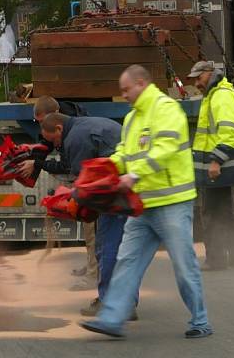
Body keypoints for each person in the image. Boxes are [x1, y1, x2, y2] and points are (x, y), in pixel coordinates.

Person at [80, 65, 212, 339]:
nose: (123, 95)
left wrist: (133, 174)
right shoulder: (131, 119)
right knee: (126, 261)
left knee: (183, 264)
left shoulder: (166, 109)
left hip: (172, 202)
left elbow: (165, 149)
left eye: (126, 89)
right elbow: (124, 153)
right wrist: (104, 168)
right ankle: (113, 318)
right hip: (142, 206)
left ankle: (200, 320)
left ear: (141, 83)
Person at [39, 112, 136, 319]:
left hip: (117, 190)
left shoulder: (76, 138)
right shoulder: (84, 126)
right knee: (123, 248)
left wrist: (73, 204)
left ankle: (109, 303)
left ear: (59, 129)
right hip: (127, 183)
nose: (56, 146)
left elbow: (83, 182)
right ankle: (127, 303)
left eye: (55, 140)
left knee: (107, 246)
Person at [23, 96, 97, 291]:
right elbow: (46, 145)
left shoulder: (73, 135)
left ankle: (94, 274)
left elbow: (66, 166)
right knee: (90, 228)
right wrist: (34, 157)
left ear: (54, 119)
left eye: (42, 123)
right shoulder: (67, 122)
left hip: (90, 183)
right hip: (88, 177)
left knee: (93, 229)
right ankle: (93, 264)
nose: (41, 128)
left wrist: (38, 164)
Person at [188, 61, 234, 270]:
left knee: (210, 211)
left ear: (210, 73)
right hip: (221, 166)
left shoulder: (221, 96)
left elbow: (228, 131)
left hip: (221, 166)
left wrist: (216, 161)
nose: (196, 83)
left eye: (199, 78)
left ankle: (216, 259)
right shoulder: (214, 94)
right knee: (221, 210)